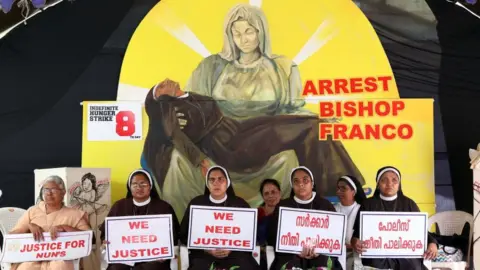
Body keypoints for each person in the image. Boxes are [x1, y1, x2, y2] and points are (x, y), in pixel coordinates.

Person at [140, 3, 364, 218]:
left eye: (249, 31)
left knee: (318, 128)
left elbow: (291, 110)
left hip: (263, 134)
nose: (243, 39)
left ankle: (341, 193)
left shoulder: (282, 67)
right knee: (307, 127)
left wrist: (313, 118)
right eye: (236, 33)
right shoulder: (210, 67)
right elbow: (185, 117)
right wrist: (199, 158)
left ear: (261, 32)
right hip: (224, 139)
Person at [143, 78, 364, 218]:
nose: (166, 81)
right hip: (226, 145)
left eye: (164, 82)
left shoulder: (192, 96)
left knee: (301, 123)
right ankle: (332, 187)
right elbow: (176, 135)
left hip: (236, 129)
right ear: (160, 96)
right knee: (291, 130)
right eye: (160, 86)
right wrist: (201, 160)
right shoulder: (166, 106)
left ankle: (342, 183)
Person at [350, 166, 438, 270]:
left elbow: (421, 232)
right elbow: (355, 236)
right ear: (378, 184)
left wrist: (432, 243)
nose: (389, 184)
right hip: (377, 255)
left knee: (413, 264)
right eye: (384, 180)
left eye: (394, 180)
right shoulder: (368, 204)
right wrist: (355, 242)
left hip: (404, 255)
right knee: (374, 262)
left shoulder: (409, 204)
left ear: (399, 184)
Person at [179, 165, 261, 270]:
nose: (216, 183)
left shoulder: (240, 204)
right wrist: (207, 249)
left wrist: (232, 248)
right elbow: (184, 234)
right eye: (212, 180)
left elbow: (250, 234)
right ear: (207, 184)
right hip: (205, 255)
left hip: (235, 254)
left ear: (227, 183)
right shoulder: (197, 204)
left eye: (220, 179)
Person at [99, 169, 180, 270]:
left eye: (143, 184)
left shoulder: (163, 207)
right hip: (125, 256)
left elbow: (173, 236)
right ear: (130, 187)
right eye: (135, 184)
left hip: (154, 258)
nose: (139, 188)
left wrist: (166, 252)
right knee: (116, 268)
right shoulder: (119, 206)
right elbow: (107, 233)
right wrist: (106, 241)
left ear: (150, 186)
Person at [9, 175, 91, 270]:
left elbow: (89, 238)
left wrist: (65, 227)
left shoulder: (75, 214)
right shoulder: (32, 211)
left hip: (61, 259)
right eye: (45, 190)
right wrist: (29, 226)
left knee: (60, 266)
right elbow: (12, 236)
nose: (49, 193)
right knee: (25, 267)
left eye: (53, 190)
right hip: (33, 258)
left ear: (63, 193)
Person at [267, 166, 339, 270]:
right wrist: (296, 250)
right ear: (292, 186)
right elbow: (273, 236)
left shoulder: (325, 205)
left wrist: (318, 251)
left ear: (312, 183)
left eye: (305, 180)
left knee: (323, 263)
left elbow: (334, 235)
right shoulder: (283, 206)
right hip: (290, 254)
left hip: (320, 254)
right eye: (296, 182)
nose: (301, 184)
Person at [334, 175, 366, 270]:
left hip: (357, 257)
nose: (339, 192)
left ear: (353, 192)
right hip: (336, 256)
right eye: (338, 188)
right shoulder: (332, 209)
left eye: (343, 189)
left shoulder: (363, 210)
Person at [257, 179, 281, 270]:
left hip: (282, 255)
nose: (270, 195)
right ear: (263, 197)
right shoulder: (258, 213)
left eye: (273, 192)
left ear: (279, 193)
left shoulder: (288, 212)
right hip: (260, 254)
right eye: (266, 193)